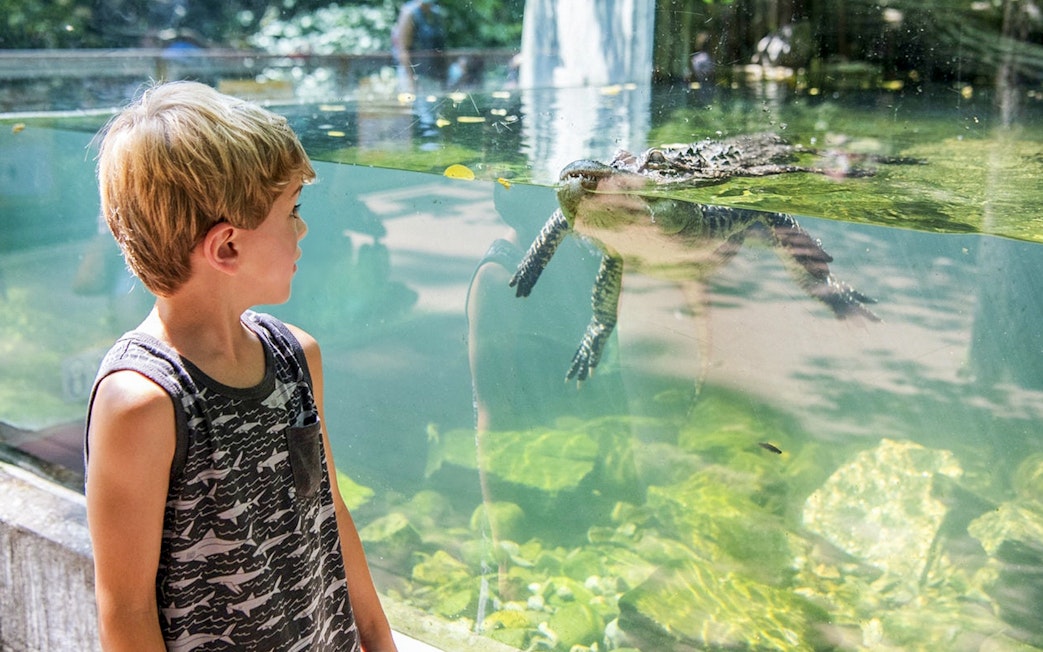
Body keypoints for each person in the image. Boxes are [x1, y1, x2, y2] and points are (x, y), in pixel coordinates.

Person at [84, 80, 398, 651]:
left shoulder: (298, 358)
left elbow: (328, 508)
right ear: (227, 247)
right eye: (291, 211)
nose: (302, 229)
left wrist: (378, 638)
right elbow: (125, 613)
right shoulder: (141, 403)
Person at [391, 0, 447, 137]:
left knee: (433, 111)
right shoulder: (409, 12)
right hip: (413, 72)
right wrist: (410, 77)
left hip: (433, 72)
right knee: (418, 110)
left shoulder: (436, 13)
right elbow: (402, 48)